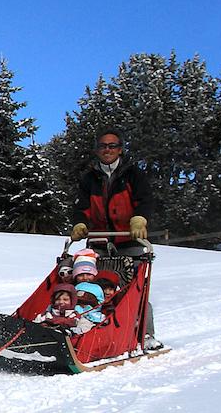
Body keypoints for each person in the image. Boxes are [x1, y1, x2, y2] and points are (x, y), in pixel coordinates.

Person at [69, 129, 161, 350]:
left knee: (133, 289)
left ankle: (145, 334)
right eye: (103, 146)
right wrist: (80, 222)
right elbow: (81, 207)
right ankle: (91, 329)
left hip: (130, 241)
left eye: (112, 146)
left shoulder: (133, 175)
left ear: (120, 149)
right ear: (97, 150)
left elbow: (145, 200)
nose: (107, 150)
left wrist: (140, 218)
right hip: (99, 241)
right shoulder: (89, 178)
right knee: (89, 287)